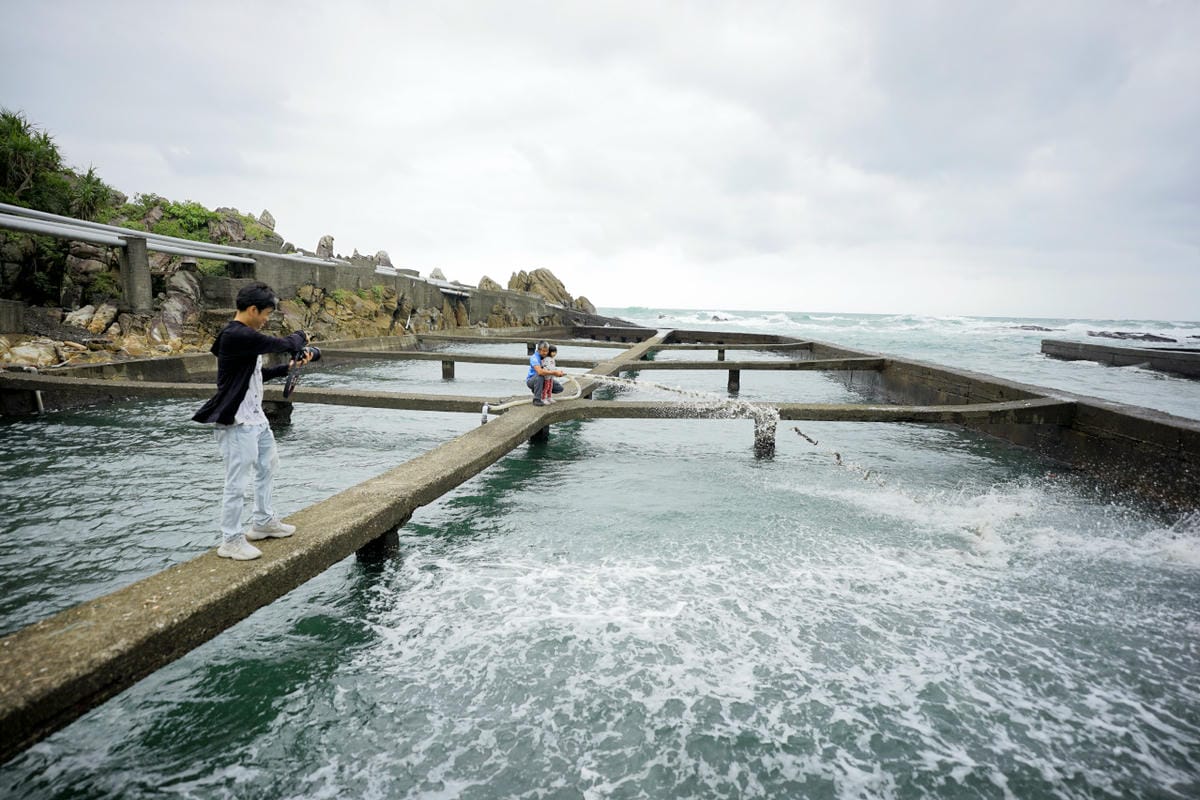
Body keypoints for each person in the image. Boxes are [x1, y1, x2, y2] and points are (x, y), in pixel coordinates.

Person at [191, 282, 313, 561]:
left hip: (255, 418)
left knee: (268, 465)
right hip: (237, 422)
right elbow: (284, 344)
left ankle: (263, 521)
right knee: (237, 481)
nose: (267, 319)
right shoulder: (237, 334)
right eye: (266, 313)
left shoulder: (242, 337)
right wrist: (301, 335)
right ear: (253, 309)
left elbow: (255, 375)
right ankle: (231, 539)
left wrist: (288, 368)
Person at [526, 339, 564, 406]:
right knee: (540, 376)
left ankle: (542, 393)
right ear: (538, 350)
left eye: (547, 351)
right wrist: (554, 373)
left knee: (559, 388)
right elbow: (540, 372)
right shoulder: (534, 358)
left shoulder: (547, 357)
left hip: (545, 379)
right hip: (532, 380)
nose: (545, 353)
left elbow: (551, 367)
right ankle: (537, 399)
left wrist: (559, 372)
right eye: (543, 351)